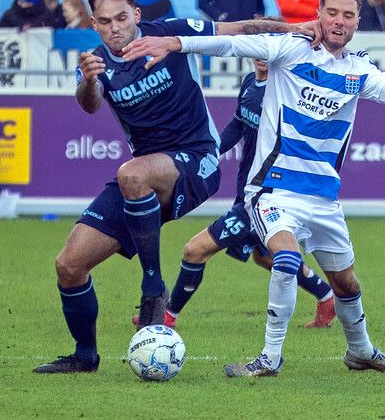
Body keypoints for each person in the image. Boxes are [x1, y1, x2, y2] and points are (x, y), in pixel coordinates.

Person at [122, 0, 385, 377]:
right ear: (319, 12)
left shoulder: (359, 70)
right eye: (332, 12)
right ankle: (269, 358)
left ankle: (361, 352)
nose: (339, 21)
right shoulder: (290, 48)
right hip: (273, 189)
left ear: (356, 23)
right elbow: (231, 46)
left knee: (346, 284)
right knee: (284, 257)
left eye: (348, 15)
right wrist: (175, 44)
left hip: (324, 198)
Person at [32, 0, 320, 374]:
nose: (114, 27)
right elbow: (89, 105)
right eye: (104, 21)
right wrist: (88, 80)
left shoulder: (167, 33)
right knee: (69, 264)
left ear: (136, 15)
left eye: (121, 17)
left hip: (197, 160)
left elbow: (235, 29)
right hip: (147, 178)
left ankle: (153, 288)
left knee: (131, 173)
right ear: (95, 25)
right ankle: (85, 356)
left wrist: (294, 29)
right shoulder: (96, 62)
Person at [132, 56, 337, 330]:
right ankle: (326, 296)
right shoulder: (251, 83)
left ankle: (168, 317)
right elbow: (238, 125)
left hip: (268, 194)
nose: (264, 58)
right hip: (248, 192)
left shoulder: (287, 92)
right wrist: (209, 150)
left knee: (195, 250)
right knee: (265, 256)